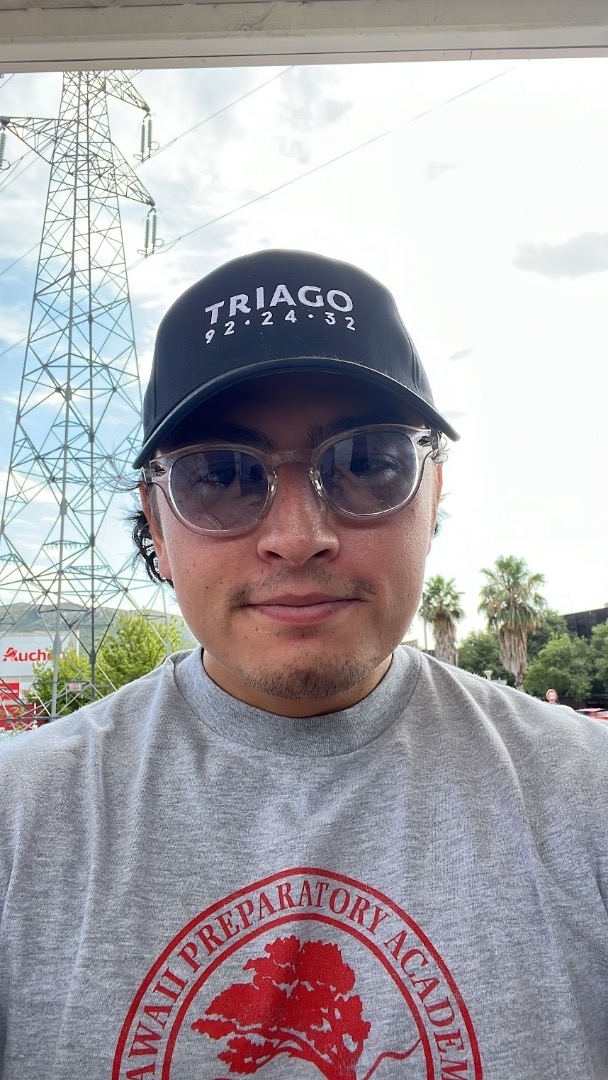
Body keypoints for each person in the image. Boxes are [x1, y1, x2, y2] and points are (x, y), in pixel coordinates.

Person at [0, 249, 607, 1080]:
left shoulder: (588, 800)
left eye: (366, 464)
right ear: (157, 524)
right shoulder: (20, 822)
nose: (297, 535)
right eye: (220, 475)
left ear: (433, 494)